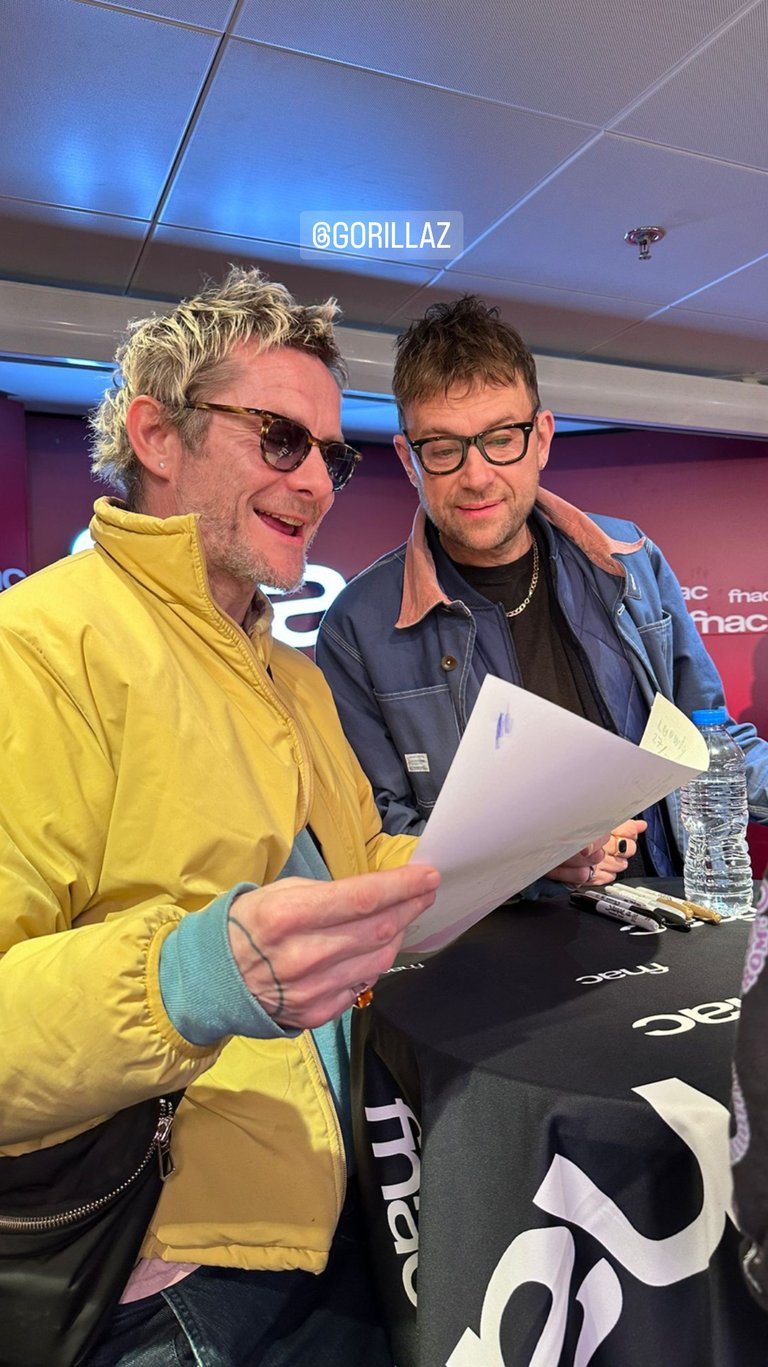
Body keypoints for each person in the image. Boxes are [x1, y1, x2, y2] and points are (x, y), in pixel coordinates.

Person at [0, 267, 441, 1366]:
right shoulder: (40, 649)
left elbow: (351, 865)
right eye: (280, 439)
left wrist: (514, 840)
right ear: (157, 434)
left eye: (332, 455)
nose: (317, 483)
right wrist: (191, 975)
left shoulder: (290, 673)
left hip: (340, 1204)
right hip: (170, 1275)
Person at [316, 296, 768, 889]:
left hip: (664, 908)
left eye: (502, 438)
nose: (477, 476)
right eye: (444, 449)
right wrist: (529, 860)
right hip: (493, 935)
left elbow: (710, 742)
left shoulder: (629, 559)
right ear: (409, 459)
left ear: (542, 439)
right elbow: (379, 830)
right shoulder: (356, 628)